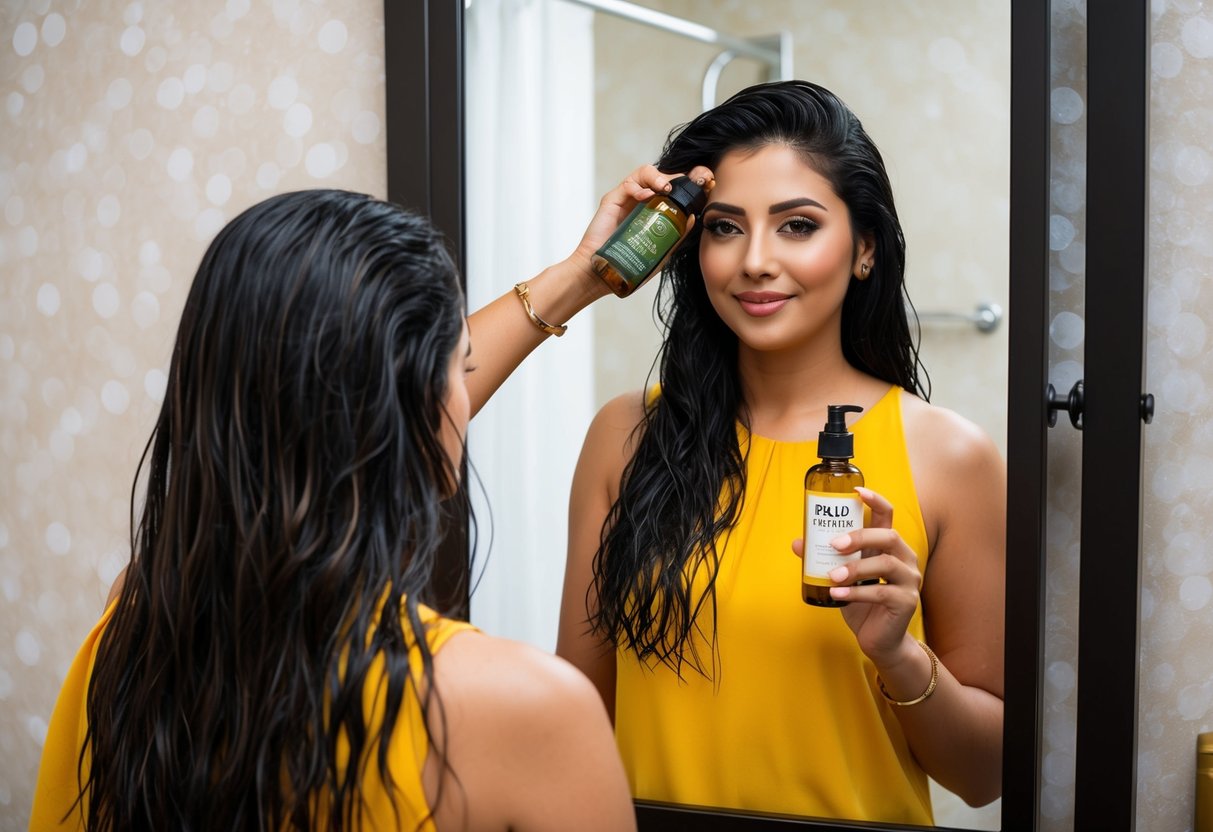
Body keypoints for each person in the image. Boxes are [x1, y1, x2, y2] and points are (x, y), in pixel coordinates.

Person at [29, 181, 705, 831]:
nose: (466, 393)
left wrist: (583, 275)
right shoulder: (523, 710)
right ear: (416, 402)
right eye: (460, 367)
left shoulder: (136, 631)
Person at [556, 80, 1006, 825]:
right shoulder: (624, 436)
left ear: (863, 247)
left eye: (796, 226)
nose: (754, 261)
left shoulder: (948, 456)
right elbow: (576, 721)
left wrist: (899, 656)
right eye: (724, 229)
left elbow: (984, 774)